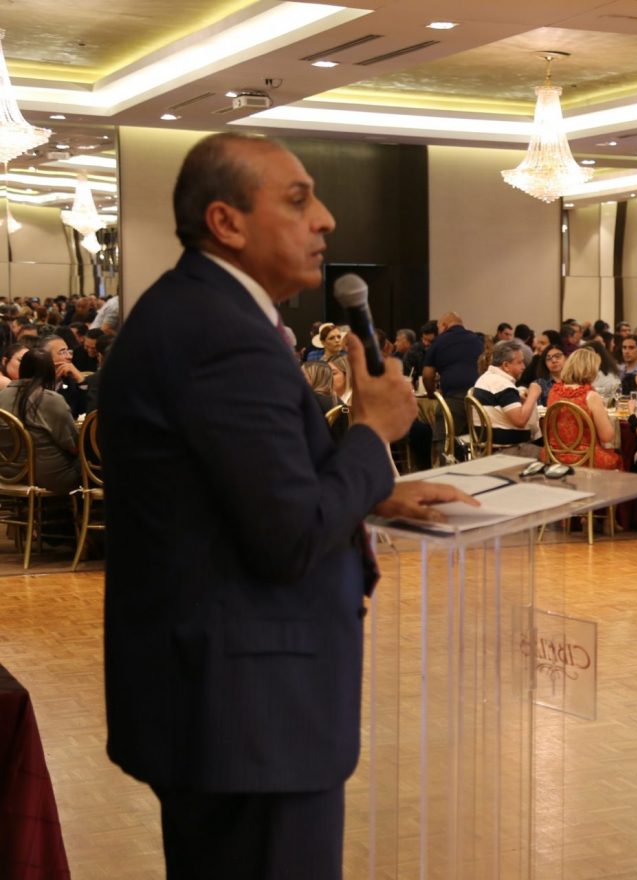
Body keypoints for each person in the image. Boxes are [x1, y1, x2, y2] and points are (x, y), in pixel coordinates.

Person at [100, 132, 475, 879]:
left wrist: (374, 489)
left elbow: (242, 490)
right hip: (250, 714)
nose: (325, 219)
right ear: (226, 222)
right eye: (298, 200)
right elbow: (289, 536)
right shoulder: (221, 336)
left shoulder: (199, 312)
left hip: (221, 700)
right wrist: (371, 433)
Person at [0, 350, 80, 494]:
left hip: (7, 473)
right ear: (49, 373)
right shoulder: (51, 399)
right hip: (49, 477)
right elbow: (74, 446)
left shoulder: (2, 396)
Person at [543, 348, 620, 470]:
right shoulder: (590, 396)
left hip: (555, 456)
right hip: (585, 458)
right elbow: (607, 437)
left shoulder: (553, 392)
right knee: (619, 457)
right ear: (590, 370)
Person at [473, 339, 542, 448]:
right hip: (507, 449)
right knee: (548, 453)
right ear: (505, 365)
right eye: (519, 362)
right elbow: (520, 420)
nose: (523, 367)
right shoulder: (502, 384)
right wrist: (533, 395)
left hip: (487, 445)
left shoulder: (486, 378)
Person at [422, 311, 484, 433]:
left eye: (438, 328)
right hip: (478, 398)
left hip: (453, 397)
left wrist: (432, 393)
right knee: (474, 438)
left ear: (444, 325)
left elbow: (427, 375)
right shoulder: (478, 340)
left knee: (444, 439)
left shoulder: (439, 342)